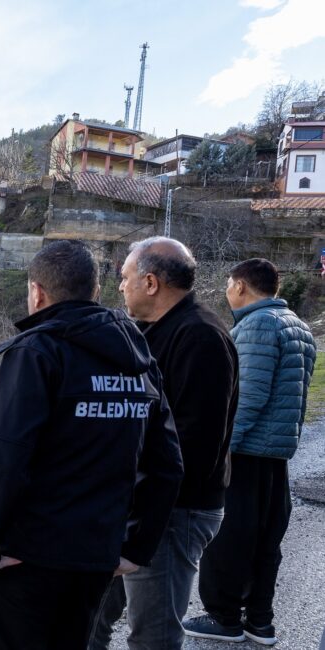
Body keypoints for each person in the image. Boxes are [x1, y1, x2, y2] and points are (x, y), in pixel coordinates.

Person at [0, 240, 183, 649]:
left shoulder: (36, 352)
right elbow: (168, 464)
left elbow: (8, 460)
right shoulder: (137, 357)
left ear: (37, 293)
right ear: (95, 291)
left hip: (27, 559)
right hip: (95, 555)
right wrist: (137, 547)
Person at [91, 237, 239, 649]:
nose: (121, 286)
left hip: (173, 513)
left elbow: (196, 447)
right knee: (89, 617)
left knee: (152, 637)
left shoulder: (200, 337)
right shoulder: (151, 331)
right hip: (136, 506)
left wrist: (146, 510)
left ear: (151, 283)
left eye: (125, 277)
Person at [184, 258, 316, 645]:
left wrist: (222, 449)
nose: (227, 291)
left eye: (229, 284)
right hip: (276, 452)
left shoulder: (259, 324)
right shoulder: (298, 325)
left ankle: (224, 618)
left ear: (241, 286)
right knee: (265, 540)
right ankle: (260, 620)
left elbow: (248, 397)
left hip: (246, 452)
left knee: (229, 537)